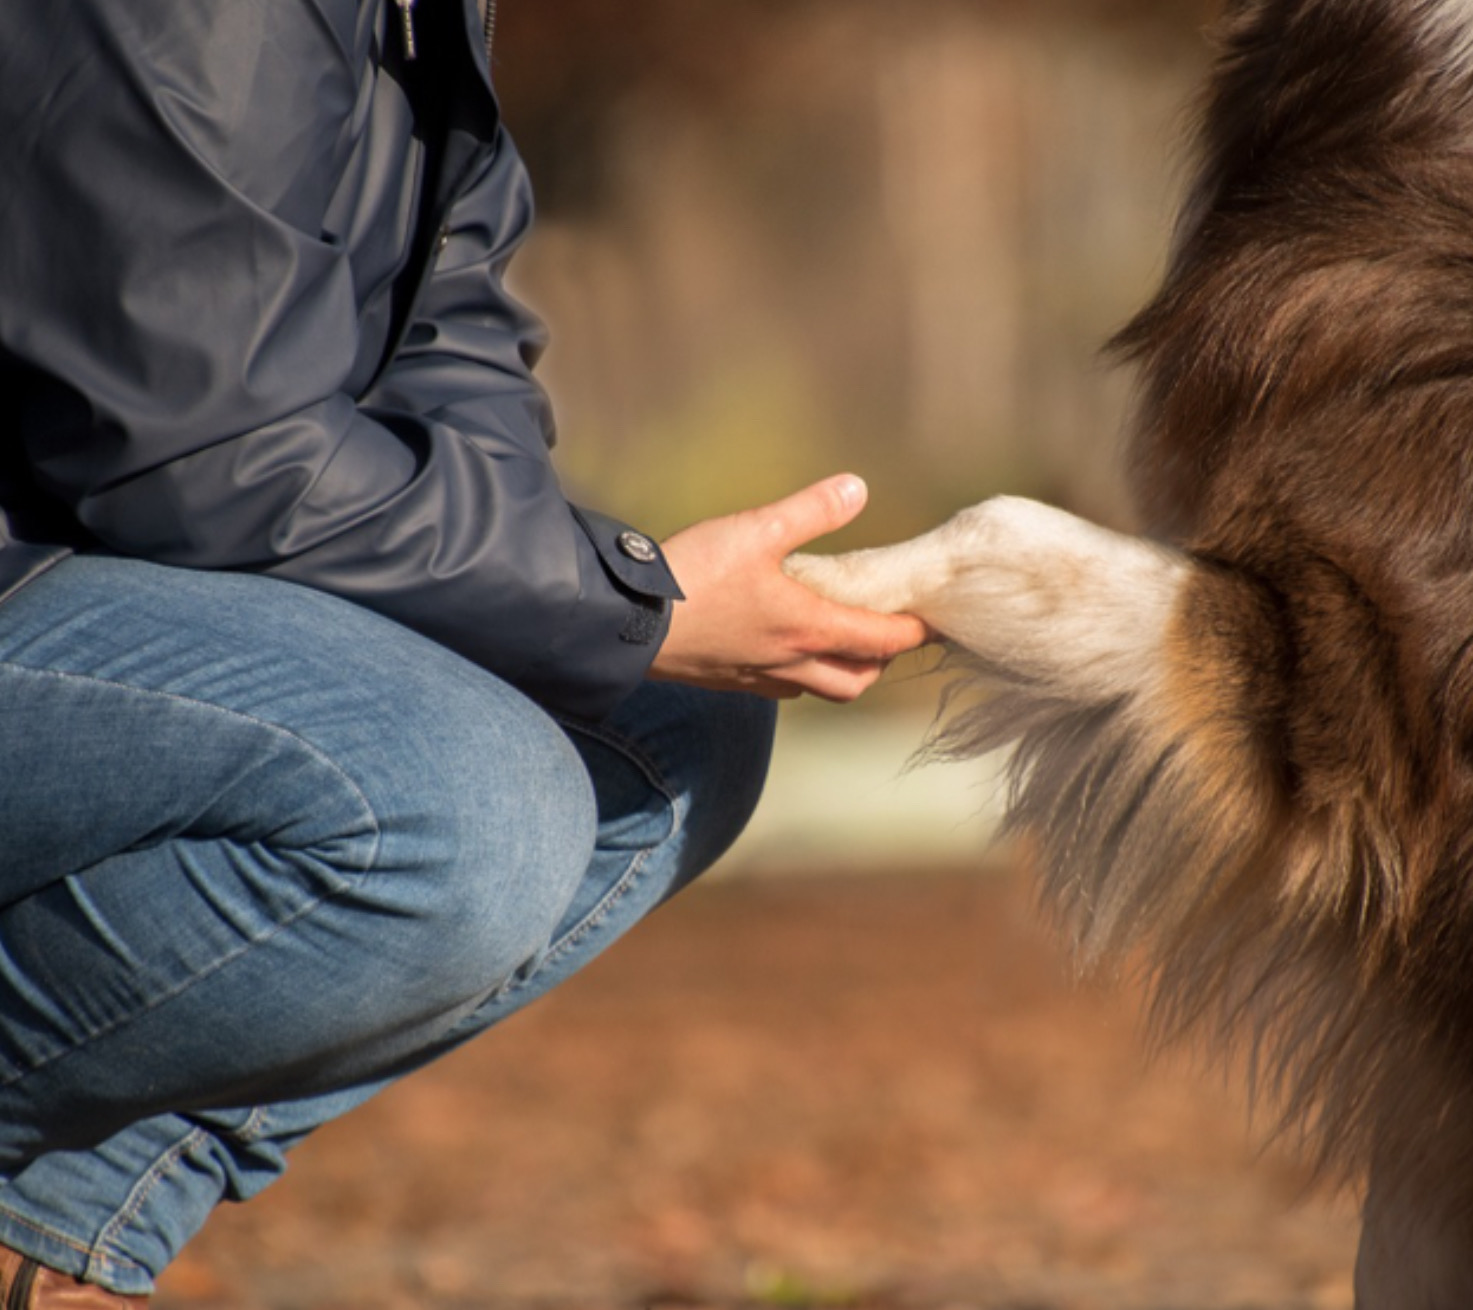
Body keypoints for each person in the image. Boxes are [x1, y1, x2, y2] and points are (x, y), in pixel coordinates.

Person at [0, 2, 929, 1304]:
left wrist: (617, 613)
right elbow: (206, 454)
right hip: (56, 565)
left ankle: (50, 1230)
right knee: (464, 808)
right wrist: (639, 608)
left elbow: (452, 349)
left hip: (110, 560)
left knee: (663, 732)